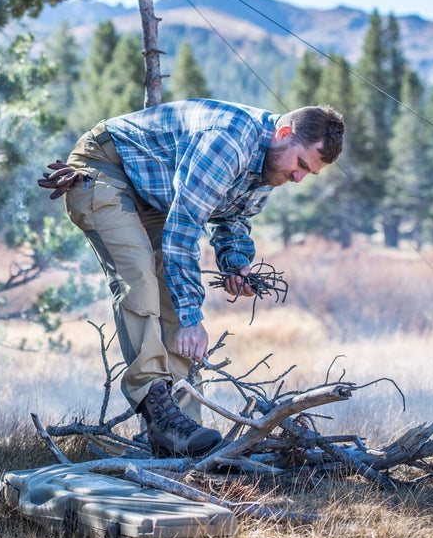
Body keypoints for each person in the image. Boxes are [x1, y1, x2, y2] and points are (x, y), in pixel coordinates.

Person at [39, 99, 344, 457]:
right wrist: (191, 320)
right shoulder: (229, 142)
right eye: (301, 164)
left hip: (153, 195)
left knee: (171, 291)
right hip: (105, 167)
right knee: (139, 275)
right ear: (284, 133)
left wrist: (235, 263)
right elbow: (183, 231)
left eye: (309, 173)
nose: (298, 178)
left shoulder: (271, 165)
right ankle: (156, 408)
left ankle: (184, 432)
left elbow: (232, 218)